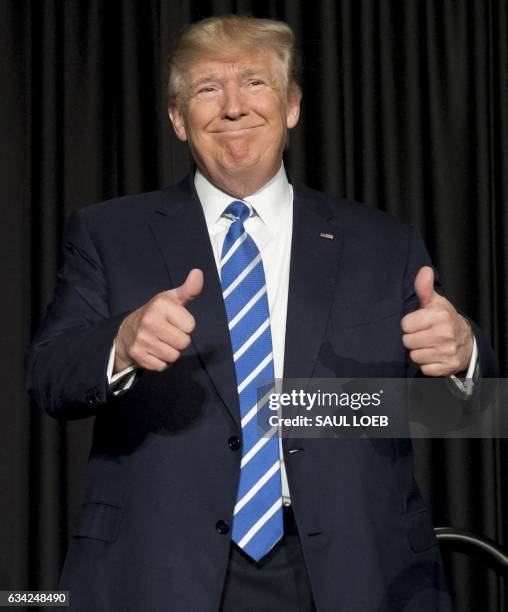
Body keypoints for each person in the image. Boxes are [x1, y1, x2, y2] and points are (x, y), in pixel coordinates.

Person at [26, 14, 496, 612]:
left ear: (292, 106)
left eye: (254, 83)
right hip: (160, 571)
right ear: (177, 119)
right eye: (206, 89)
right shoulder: (108, 233)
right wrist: (119, 344)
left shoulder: (384, 243)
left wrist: (463, 357)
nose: (232, 106)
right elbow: (47, 377)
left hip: (354, 572)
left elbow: (462, 414)